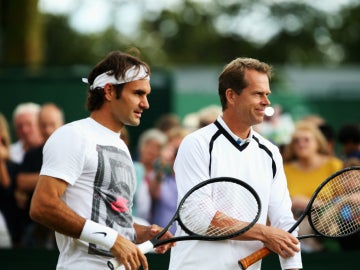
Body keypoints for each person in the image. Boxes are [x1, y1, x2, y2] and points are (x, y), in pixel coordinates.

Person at [29, 50, 174, 270]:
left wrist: (141, 232)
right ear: (109, 91)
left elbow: (110, 220)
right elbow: (42, 206)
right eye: (138, 93)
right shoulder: (73, 135)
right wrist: (112, 239)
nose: (146, 104)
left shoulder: (121, 147)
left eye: (146, 95)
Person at [168, 57, 302, 270]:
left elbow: (283, 220)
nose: (266, 101)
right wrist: (264, 233)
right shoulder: (196, 144)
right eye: (258, 94)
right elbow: (197, 216)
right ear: (231, 96)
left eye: (267, 94)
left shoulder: (270, 152)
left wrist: (292, 267)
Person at [282, 121, 343, 252]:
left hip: (330, 222)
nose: (301, 144)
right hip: (294, 222)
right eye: (296, 141)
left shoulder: (334, 165)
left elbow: (345, 197)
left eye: (306, 140)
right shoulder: (284, 170)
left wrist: (311, 204)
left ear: (318, 142)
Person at [16, 103, 65, 248]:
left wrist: (39, 180)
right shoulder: (32, 154)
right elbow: (21, 181)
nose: (48, 130)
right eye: (43, 125)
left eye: (52, 124)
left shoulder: (72, 151)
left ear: (61, 124)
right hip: (37, 224)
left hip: (66, 223)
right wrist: (60, 178)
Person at [148, 126, 189, 234]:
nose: (177, 154)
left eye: (181, 149)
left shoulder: (193, 178)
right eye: (175, 149)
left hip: (184, 241)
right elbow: (153, 192)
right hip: (161, 241)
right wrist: (163, 162)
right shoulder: (159, 175)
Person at [132, 128, 168, 223]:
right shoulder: (131, 167)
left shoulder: (160, 175)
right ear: (141, 146)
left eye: (157, 148)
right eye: (149, 145)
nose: (152, 150)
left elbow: (154, 194)